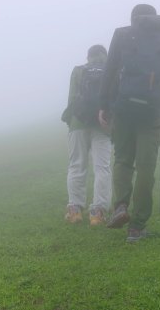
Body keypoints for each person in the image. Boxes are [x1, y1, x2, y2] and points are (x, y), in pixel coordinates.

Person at [99, 4, 160, 242]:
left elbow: (110, 70)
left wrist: (104, 104)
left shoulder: (122, 34)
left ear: (133, 18)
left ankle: (121, 206)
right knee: (146, 167)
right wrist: (154, 83)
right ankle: (136, 227)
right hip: (153, 109)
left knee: (123, 159)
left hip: (123, 106)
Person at [61, 45, 113, 225]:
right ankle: (98, 212)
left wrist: (71, 123)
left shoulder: (78, 71)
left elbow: (72, 99)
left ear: (88, 57)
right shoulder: (110, 70)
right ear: (105, 56)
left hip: (78, 124)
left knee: (76, 166)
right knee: (102, 168)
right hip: (103, 125)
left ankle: (74, 210)